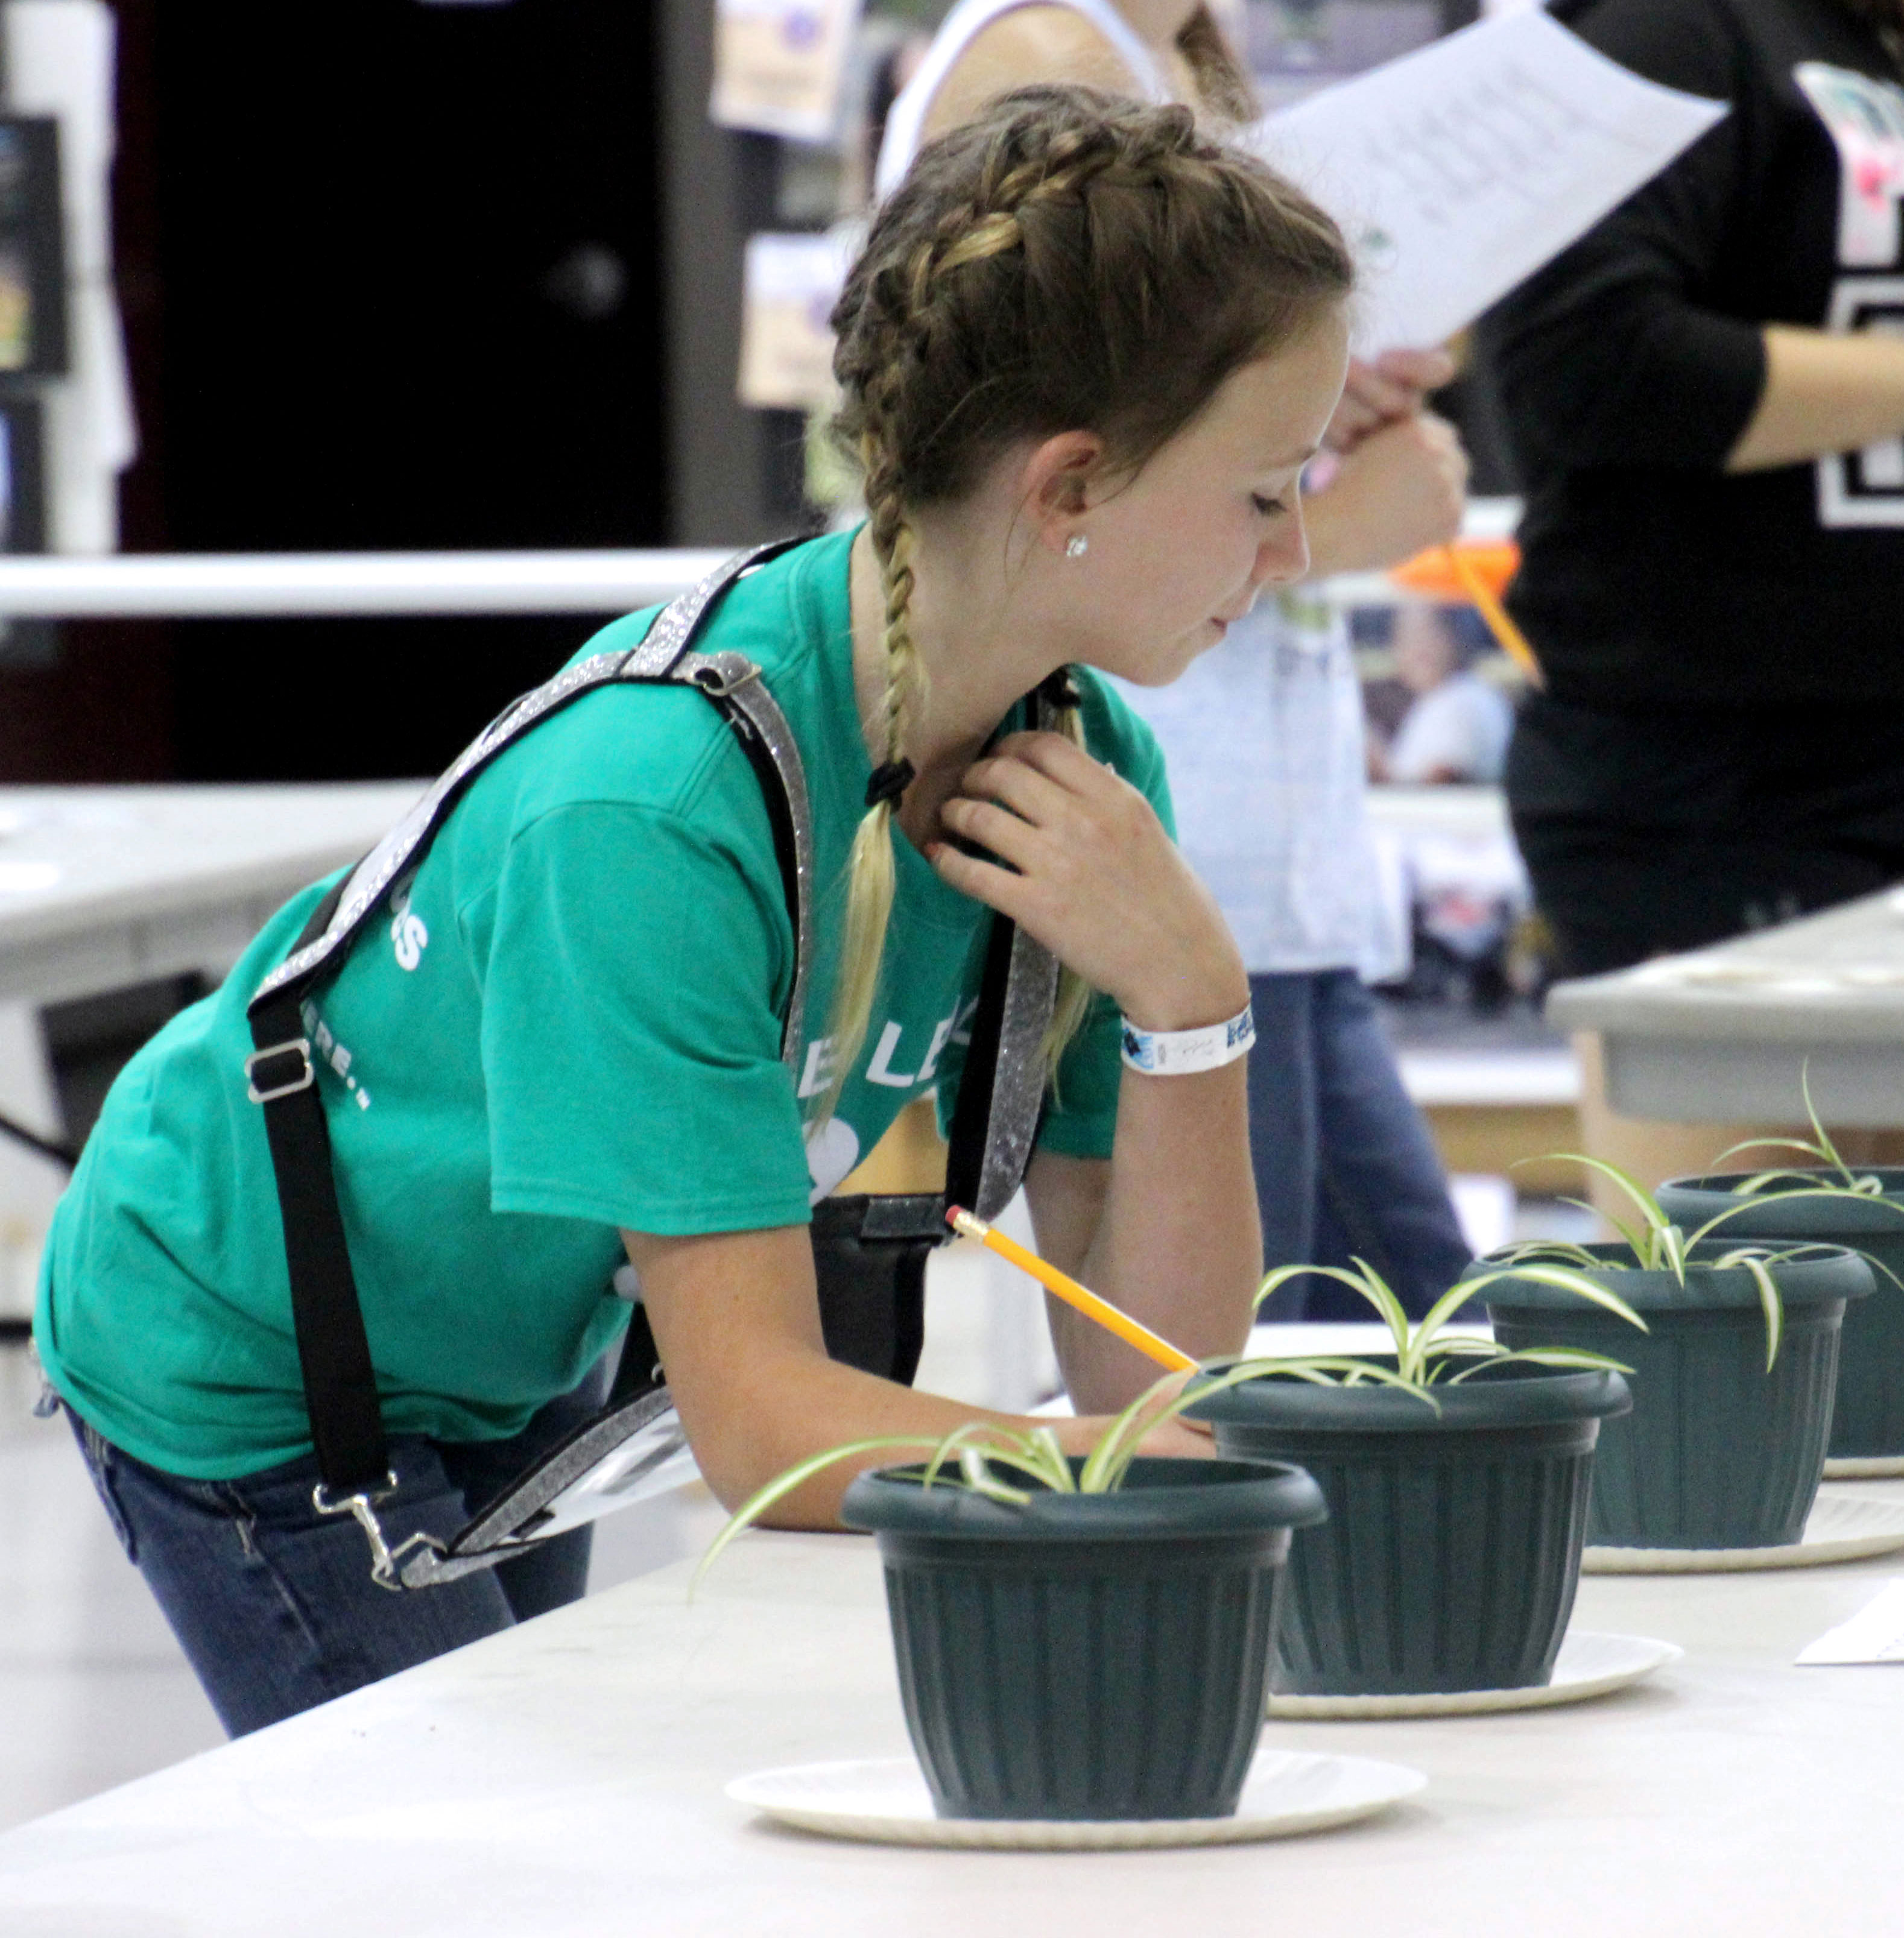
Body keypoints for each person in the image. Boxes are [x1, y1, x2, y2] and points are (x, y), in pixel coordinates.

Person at [35, 88, 1356, 1734]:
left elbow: (1149, 1375)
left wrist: (1190, 998)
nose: (1296, 548)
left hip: (516, 1347)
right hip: (252, 1342)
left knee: (536, 1813)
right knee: (447, 1859)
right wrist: (1115, 1474)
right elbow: (763, 1426)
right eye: (1261, 490)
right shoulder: (657, 804)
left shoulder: (1085, 764)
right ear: (1067, 484)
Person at [874, 0, 1475, 1316]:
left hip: (1223, 837)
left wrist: (1302, 432)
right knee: (1328, 1364)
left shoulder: (1159, 63)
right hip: (1167, 823)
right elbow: (1024, 449)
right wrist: (1328, 517)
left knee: (1413, 1341)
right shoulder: (1050, 61)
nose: (1281, 534)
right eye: (1264, 499)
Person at [1478, 0, 1904, 1190]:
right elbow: (1584, 358)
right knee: (1739, 1307)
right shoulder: (1680, 27)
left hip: (1860, 745)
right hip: (1708, 774)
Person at [1374, 604, 1514, 786]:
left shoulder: (1462, 700)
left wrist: (1375, 757)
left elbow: (1437, 786)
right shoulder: (1440, 697)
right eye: (1407, 638)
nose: (1418, 649)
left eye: (1429, 633)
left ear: (1455, 637)